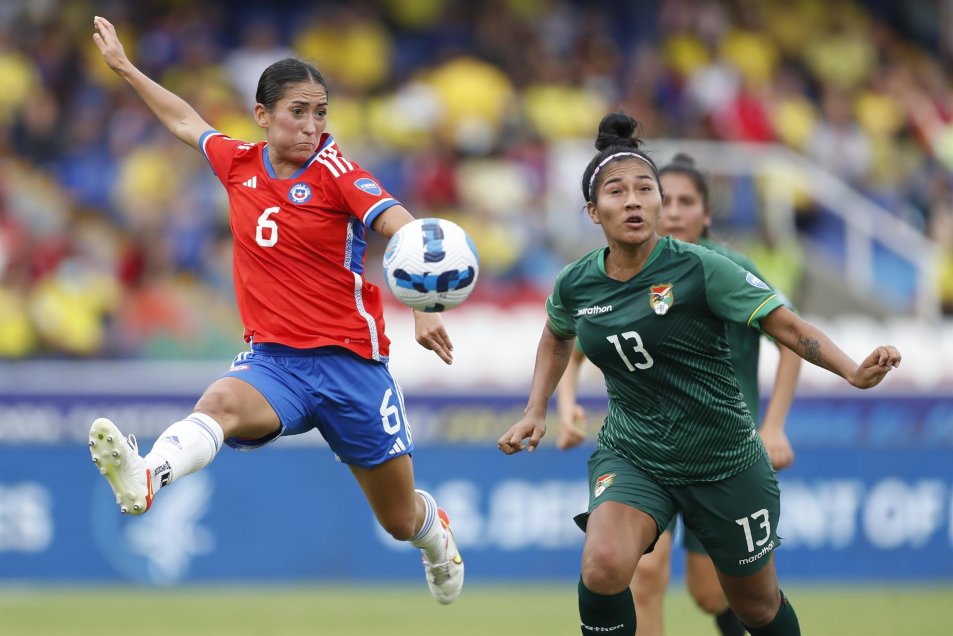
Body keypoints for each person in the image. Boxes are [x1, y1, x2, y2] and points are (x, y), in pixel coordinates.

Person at [86, 16, 463, 604]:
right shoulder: (238, 162)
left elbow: (400, 224)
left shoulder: (339, 174)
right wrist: (127, 69)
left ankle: (433, 533)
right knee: (221, 401)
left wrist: (424, 301)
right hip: (277, 364)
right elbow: (187, 121)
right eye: (298, 111)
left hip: (352, 366)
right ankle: (147, 475)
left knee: (397, 519)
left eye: (321, 112)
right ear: (262, 115)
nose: (312, 126)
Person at [498, 111, 901, 636]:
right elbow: (556, 335)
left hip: (724, 459)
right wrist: (536, 410)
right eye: (617, 192)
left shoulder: (702, 268)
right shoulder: (577, 283)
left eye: (646, 188)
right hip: (637, 452)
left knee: (754, 607)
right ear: (593, 212)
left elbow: (786, 326)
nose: (635, 200)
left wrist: (852, 370)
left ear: (661, 203)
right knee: (603, 566)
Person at [554, 152, 803, 636]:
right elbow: (571, 340)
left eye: (686, 201)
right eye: (664, 199)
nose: (672, 212)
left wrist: (773, 425)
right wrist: (565, 407)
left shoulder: (725, 268)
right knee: (638, 572)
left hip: (722, 453)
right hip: (645, 452)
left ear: (706, 214)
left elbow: (792, 340)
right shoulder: (620, 273)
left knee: (716, 594)